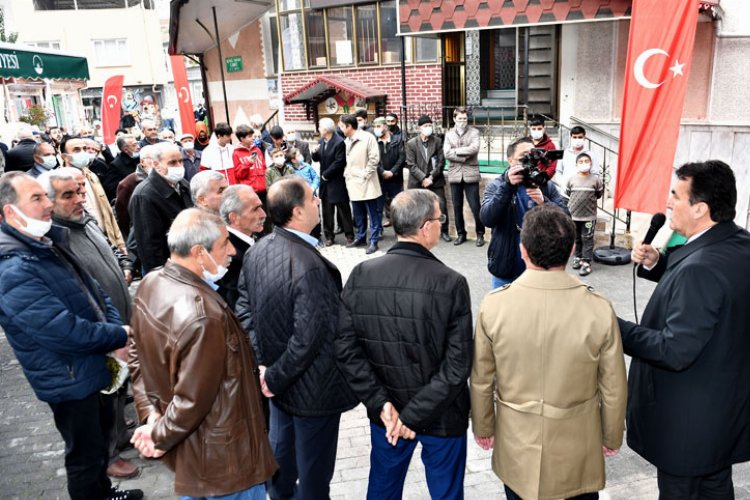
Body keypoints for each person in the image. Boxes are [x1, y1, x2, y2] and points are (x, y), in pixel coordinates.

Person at [0, 172, 141, 500]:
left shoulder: (44, 243)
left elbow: (94, 289)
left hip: (88, 367)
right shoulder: (13, 268)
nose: (48, 204)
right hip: (68, 377)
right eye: (36, 199)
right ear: (10, 212)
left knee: (96, 448)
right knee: (84, 457)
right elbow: (61, 330)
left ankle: (103, 493)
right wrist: (117, 335)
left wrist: (114, 331)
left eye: (46, 197)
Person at [471, 203, 626, 500]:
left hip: (518, 447)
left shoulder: (494, 305)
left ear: (522, 250)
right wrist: (611, 434)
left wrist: (483, 425)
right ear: (570, 252)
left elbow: (481, 379)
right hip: (577, 448)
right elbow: (614, 386)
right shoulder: (598, 307)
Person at [618, 160, 750, 499]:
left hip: (689, 427)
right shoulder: (737, 244)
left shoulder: (701, 269)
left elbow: (674, 350)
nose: (668, 204)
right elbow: (714, 295)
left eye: (676, 196)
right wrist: (657, 263)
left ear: (700, 209)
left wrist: (614, 328)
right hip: (723, 416)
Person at [128, 209, 278, 499]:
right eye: (224, 243)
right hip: (227, 462)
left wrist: (151, 415)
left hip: (195, 456)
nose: (233, 250)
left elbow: (136, 355)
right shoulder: (204, 315)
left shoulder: (152, 282)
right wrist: (157, 434)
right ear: (199, 253)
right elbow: (192, 400)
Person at [336, 189, 473, 499]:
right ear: (425, 227)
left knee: (383, 489)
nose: (442, 224)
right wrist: (412, 415)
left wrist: (380, 403)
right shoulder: (450, 282)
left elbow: (345, 348)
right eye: (440, 219)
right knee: (447, 493)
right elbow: (458, 365)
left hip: (387, 414)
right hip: (440, 415)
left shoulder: (361, 273)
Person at [236, 178, 357, 500]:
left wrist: (266, 366)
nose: (319, 201)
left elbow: (244, 310)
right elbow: (311, 336)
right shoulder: (309, 266)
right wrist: (271, 373)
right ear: (297, 210)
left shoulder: (258, 249)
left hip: (277, 380)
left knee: (282, 460)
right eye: (313, 197)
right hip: (311, 389)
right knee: (314, 474)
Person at [39, 168, 138, 480]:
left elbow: (112, 249)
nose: (80, 199)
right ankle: (108, 456)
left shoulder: (86, 222)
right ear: (48, 202)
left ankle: (120, 432)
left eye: (80, 191)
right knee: (103, 396)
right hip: (96, 333)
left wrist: (124, 264)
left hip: (118, 321)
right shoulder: (54, 240)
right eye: (69, 195)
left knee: (120, 385)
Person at [480, 137, 567, 288]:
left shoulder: (546, 186)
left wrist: (544, 202)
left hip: (540, 268)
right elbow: (487, 219)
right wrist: (507, 188)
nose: (529, 163)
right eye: (523, 158)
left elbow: (566, 221)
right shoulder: (497, 186)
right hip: (506, 267)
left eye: (532, 157)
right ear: (510, 161)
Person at [129, 142, 193, 273]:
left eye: (181, 161)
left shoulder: (183, 184)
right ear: (156, 165)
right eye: (172, 163)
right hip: (167, 269)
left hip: (187, 261)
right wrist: (162, 275)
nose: (179, 166)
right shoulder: (144, 195)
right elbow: (149, 246)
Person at [61, 137, 127, 255]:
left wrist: (119, 242)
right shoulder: (59, 182)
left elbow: (107, 210)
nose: (83, 152)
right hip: (85, 245)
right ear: (64, 157)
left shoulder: (91, 175)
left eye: (84, 148)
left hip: (107, 239)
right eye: (76, 150)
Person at [216, 184, 266, 309]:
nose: (263, 214)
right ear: (234, 218)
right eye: (255, 209)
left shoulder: (255, 236)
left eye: (261, 207)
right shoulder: (227, 255)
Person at [339, 113, 382, 254]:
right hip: (353, 182)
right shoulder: (346, 140)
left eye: (341, 125)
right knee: (358, 213)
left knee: (372, 213)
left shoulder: (367, 138)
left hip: (366, 182)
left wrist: (365, 174)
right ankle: (361, 237)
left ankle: (374, 241)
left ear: (349, 126)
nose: (339, 128)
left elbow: (374, 158)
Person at [406, 114, 451, 243]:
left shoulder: (437, 141)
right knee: (416, 207)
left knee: (441, 204)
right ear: (419, 128)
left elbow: (441, 162)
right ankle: (416, 232)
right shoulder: (411, 144)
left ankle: (444, 231)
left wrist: (431, 177)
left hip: (435, 180)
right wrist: (423, 179)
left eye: (430, 125)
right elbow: (411, 164)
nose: (428, 128)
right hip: (417, 181)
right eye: (426, 126)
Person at [444, 107, 485, 247]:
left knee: (475, 205)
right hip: (455, 174)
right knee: (457, 206)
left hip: (470, 174)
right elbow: (446, 153)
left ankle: (480, 233)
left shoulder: (474, 132)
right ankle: (461, 233)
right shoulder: (449, 134)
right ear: (454, 119)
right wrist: (464, 156)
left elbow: (474, 149)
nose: (462, 121)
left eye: (465, 118)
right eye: (460, 118)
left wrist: (455, 151)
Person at [312, 117, 354, 247]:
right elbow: (319, 158)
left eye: (320, 127)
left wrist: (326, 175)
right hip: (325, 183)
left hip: (336, 181)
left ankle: (349, 235)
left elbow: (339, 162)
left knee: (343, 209)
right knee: (327, 210)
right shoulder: (322, 141)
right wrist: (314, 153)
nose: (318, 129)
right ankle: (329, 236)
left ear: (326, 129)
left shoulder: (339, 142)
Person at [566, 152, 604, 276]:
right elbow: (568, 193)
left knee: (587, 238)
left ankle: (586, 262)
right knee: (576, 237)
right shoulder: (571, 179)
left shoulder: (596, 180)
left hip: (589, 217)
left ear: (591, 163)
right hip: (574, 216)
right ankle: (577, 257)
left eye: (586, 161)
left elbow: (599, 194)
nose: (584, 164)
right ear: (576, 164)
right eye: (581, 162)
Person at [114, 144, 155, 239]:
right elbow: (123, 216)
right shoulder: (128, 183)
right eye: (151, 158)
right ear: (142, 162)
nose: (155, 162)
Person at [372, 117, 404, 230]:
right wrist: (382, 172)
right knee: (378, 207)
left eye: (379, 126)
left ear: (385, 126)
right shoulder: (374, 142)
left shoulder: (397, 139)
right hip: (380, 179)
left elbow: (401, 158)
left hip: (395, 179)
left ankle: (399, 229)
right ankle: (378, 230)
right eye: (375, 127)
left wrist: (392, 171)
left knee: (397, 205)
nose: (376, 129)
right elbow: (374, 159)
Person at [102, 134, 140, 202]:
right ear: (125, 150)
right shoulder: (116, 165)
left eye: (137, 143)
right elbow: (110, 188)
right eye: (134, 145)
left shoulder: (140, 158)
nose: (138, 147)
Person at [233, 124, 267, 198]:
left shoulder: (257, 150)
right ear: (242, 139)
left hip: (263, 190)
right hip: (249, 192)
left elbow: (264, 168)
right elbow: (238, 175)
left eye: (252, 136)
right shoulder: (236, 153)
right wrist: (248, 163)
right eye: (250, 137)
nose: (253, 138)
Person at [527, 114, 558, 179]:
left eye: (539, 129)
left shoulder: (551, 145)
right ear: (530, 129)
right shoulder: (525, 143)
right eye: (534, 129)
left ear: (544, 129)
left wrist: (544, 178)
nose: (536, 131)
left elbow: (552, 166)